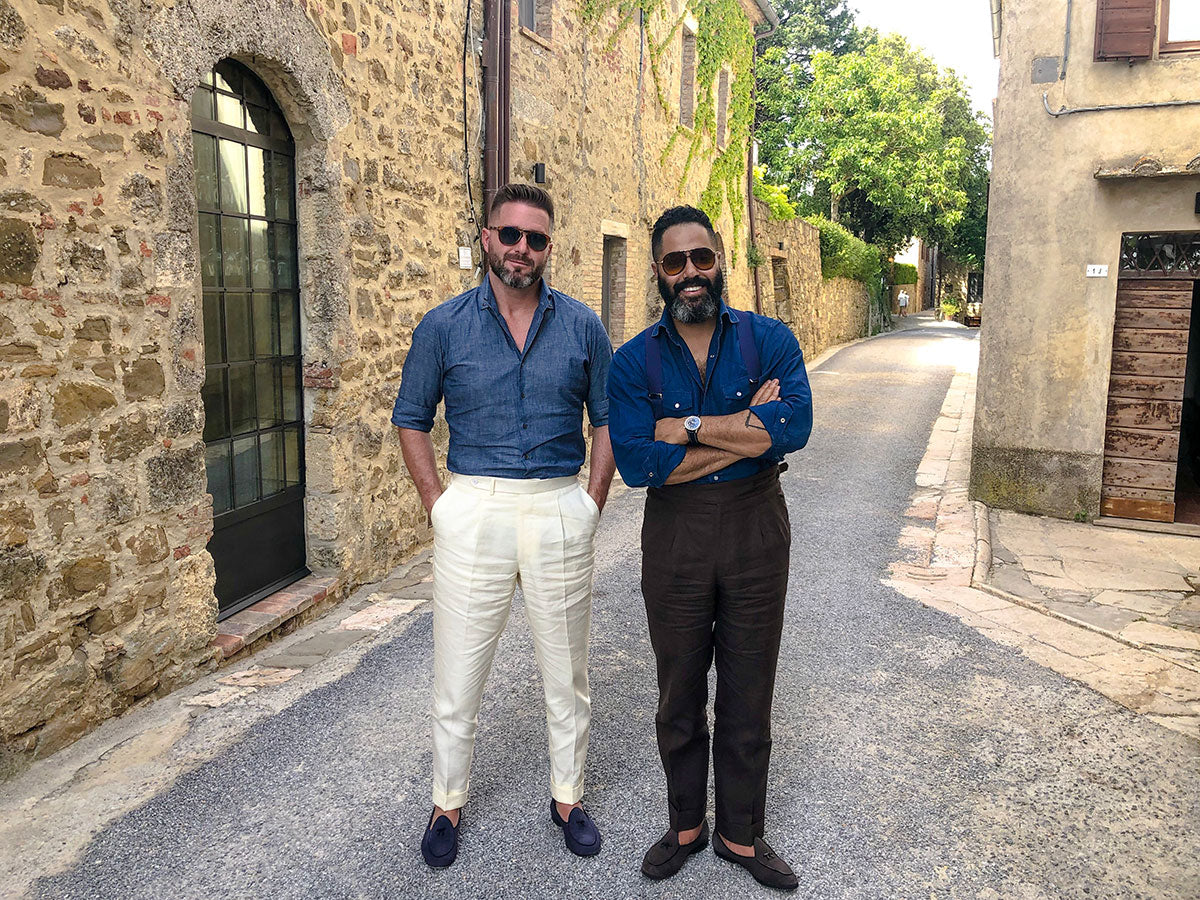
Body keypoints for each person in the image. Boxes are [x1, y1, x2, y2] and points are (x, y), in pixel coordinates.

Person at [392, 183, 616, 868]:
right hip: (475, 507)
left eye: (536, 238)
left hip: (557, 505)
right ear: (487, 237)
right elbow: (411, 418)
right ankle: (447, 802)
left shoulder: (582, 326)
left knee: (566, 671)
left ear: (551, 246)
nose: (522, 249)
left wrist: (591, 502)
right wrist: (439, 505)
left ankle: (569, 796)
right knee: (457, 671)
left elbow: (607, 419)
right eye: (510, 235)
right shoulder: (443, 326)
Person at [607, 206, 813, 891]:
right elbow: (637, 465)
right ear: (660, 272)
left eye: (701, 258)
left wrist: (685, 427)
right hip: (675, 538)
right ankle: (687, 826)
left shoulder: (770, 338)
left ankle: (740, 836)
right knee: (678, 690)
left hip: (757, 530)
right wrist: (744, 427)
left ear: (719, 258)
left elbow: (793, 428)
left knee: (750, 691)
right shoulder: (634, 359)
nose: (690, 273)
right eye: (675, 262)